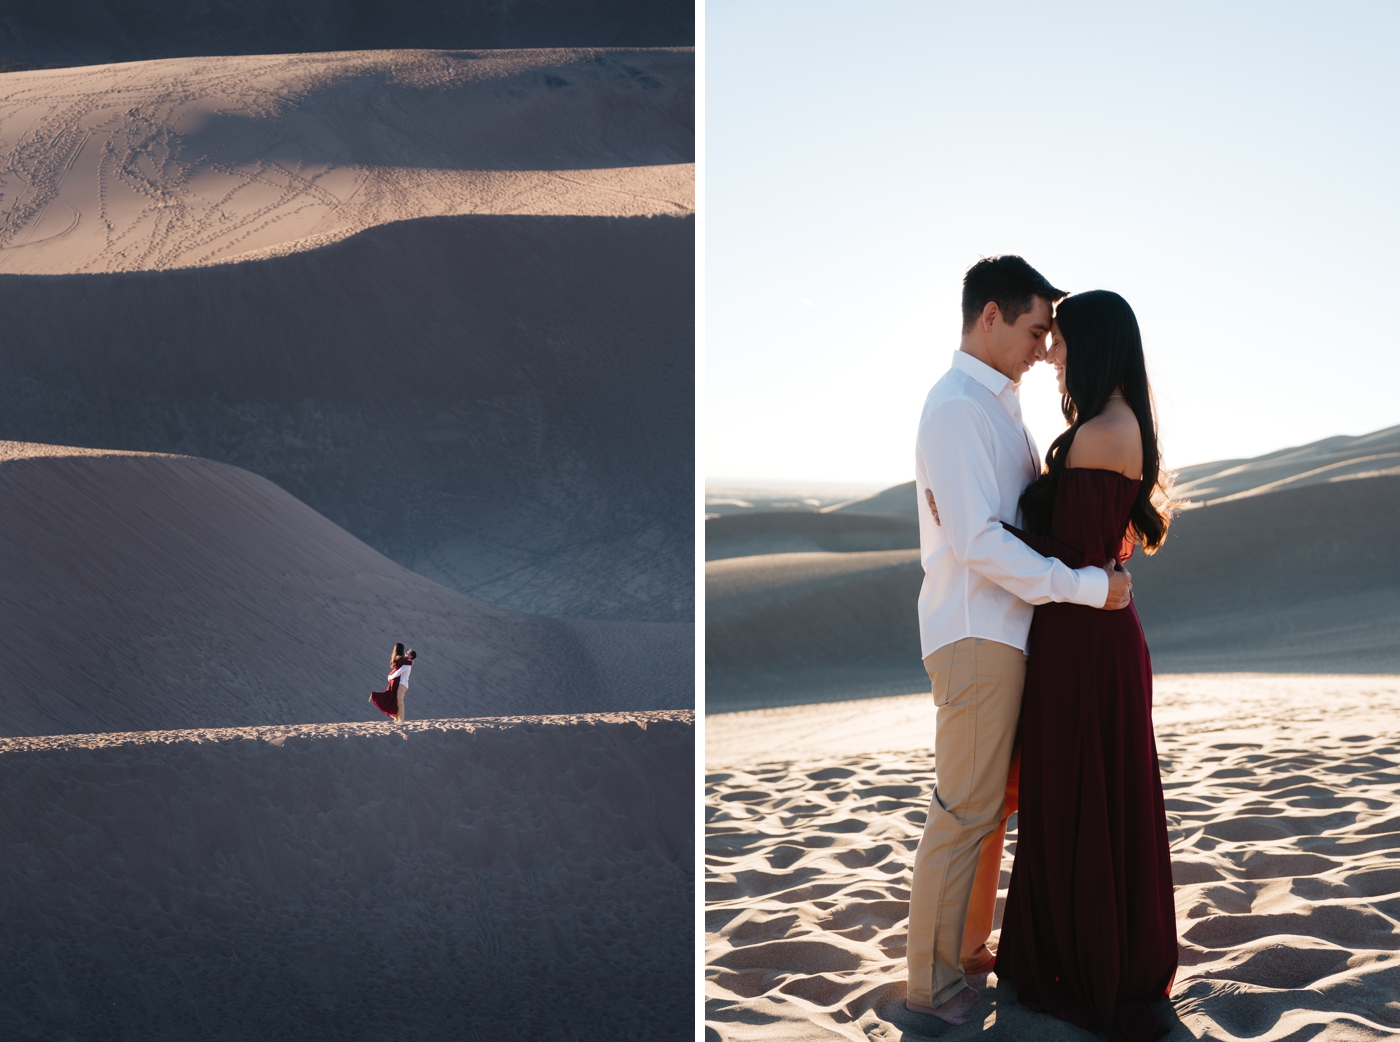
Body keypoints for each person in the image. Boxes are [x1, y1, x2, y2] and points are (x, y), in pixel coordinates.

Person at [906, 256, 1133, 1026]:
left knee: (991, 808)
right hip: (977, 631)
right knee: (964, 809)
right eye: (1036, 330)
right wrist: (1087, 589)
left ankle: (969, 953)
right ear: (990, 316)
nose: (1044, 349)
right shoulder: (956, 409)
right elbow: (977, 542)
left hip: (1011, 632)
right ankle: (932, 988)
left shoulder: (999, 409)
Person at [996, 290, 1177, 1042]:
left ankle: (1086, 962)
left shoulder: (1103, 431)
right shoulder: (1108, 424)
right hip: (1087, 629)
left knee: (1082, 791)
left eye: (1063, 339)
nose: (1053, 353)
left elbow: (1065, 552)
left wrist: (980, 531)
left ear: (1094, 343)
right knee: (1083, 790)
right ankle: (1080, 954)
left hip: (1086, 637)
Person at [370, 643, 413, 721]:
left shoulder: (396, 657)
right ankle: (400, 719)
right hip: (396, 680)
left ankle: (396, 717)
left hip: (394, 680)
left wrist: (390, 676)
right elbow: (408, 664)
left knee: (393, 698)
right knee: (395, 699)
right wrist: (411, 662)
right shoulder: (400, 657)